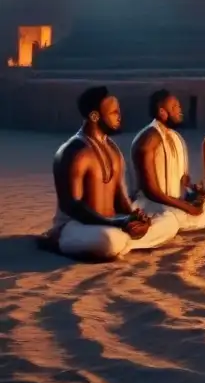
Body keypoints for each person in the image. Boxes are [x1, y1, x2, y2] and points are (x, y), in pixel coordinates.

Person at [41, 86, 178, 261]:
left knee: (170, 221)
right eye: (114, 112)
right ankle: (58, 242)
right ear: (94, 116)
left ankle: (124, 242)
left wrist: (135, 218)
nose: (119, 116)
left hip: (112, 223)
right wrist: (116, 223)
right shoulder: (73, 151)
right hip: (77, 226)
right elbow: (72, 206)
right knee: (110, 240)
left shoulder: (113, 150)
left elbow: (121, 198)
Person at [130, 89, 205, 231]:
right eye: (174, 107)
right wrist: (187, 207)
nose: (180, 110)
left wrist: (192, 190)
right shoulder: (147, 140)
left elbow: (182, 181)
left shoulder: (175, 137)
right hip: (152, 203)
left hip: (177, 202)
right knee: (171, 218)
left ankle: (184, 222)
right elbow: (151, 192)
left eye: (179, 106)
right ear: (162, 112)